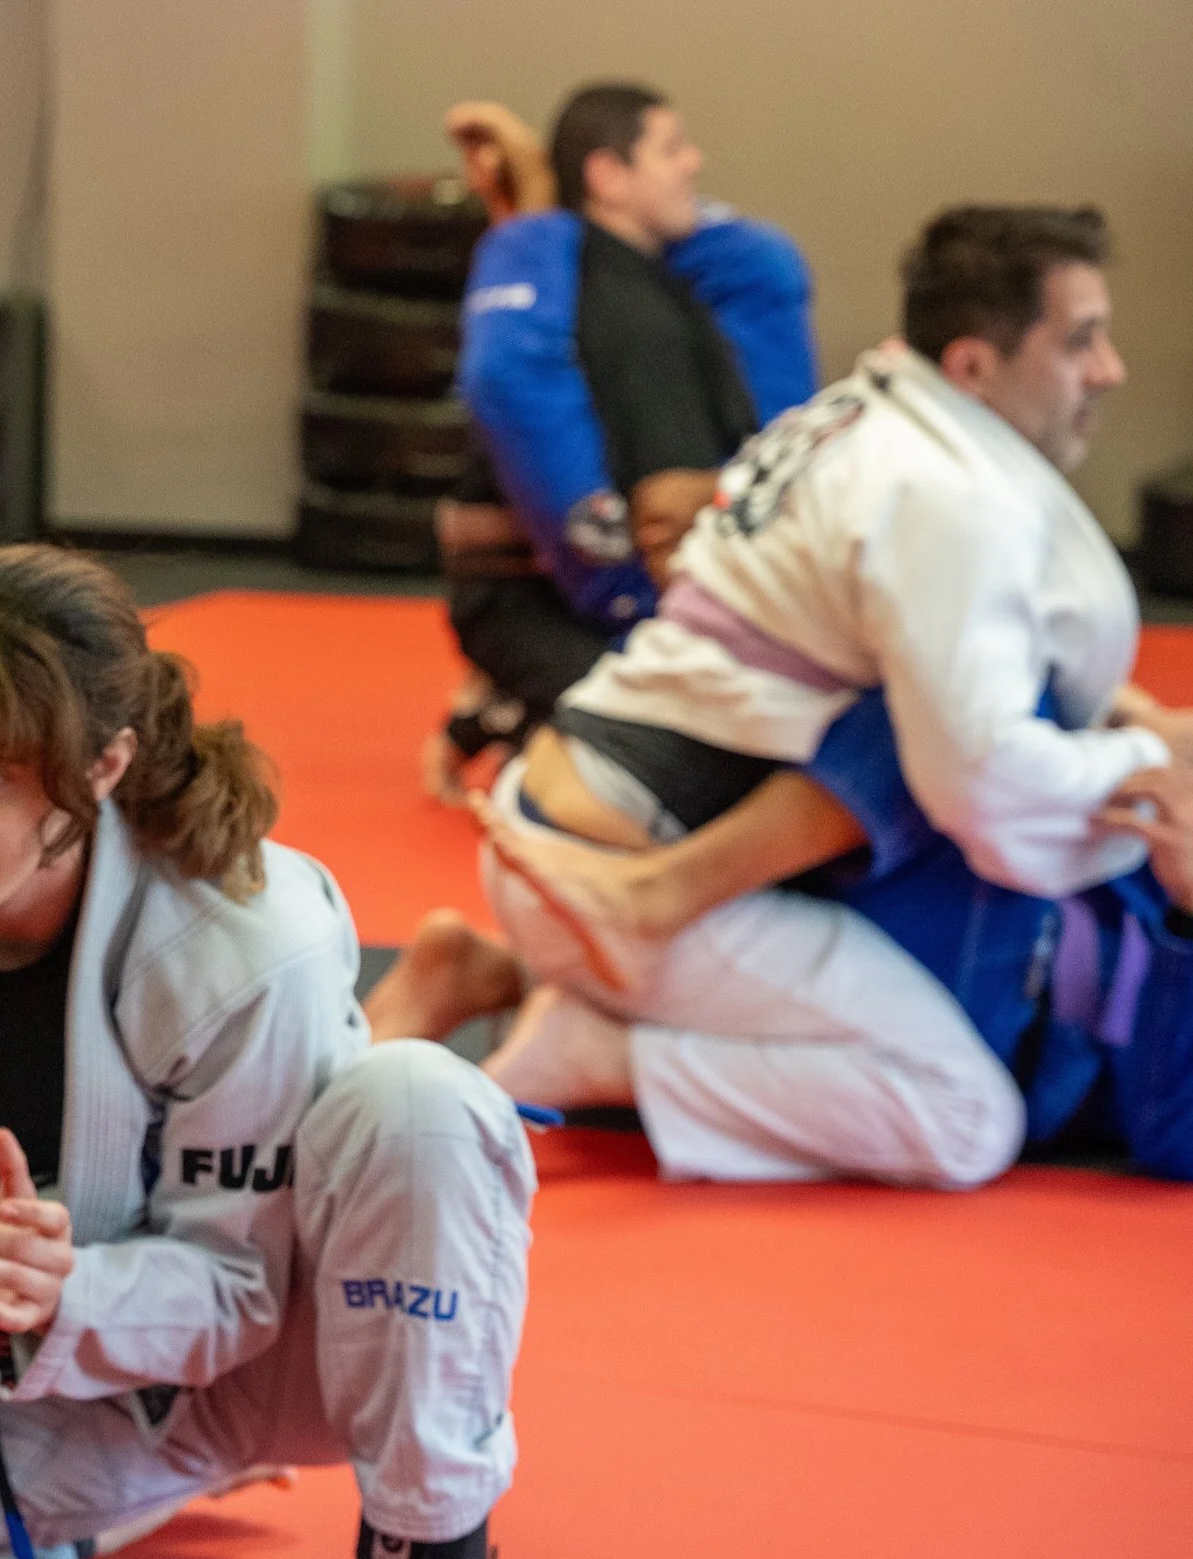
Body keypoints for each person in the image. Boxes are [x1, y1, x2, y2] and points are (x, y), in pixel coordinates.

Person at [0, 547, 538, 1559]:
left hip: (267, 1351)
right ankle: (92, 1518)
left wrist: (72, 1290)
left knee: (417, 1106)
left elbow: (242, 1283)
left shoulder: (243, 937)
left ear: (102, 763)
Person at [462, 204, 1178, 1188]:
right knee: (964, 1118)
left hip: (571, 818)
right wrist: (1147, 769)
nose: (1107, 371)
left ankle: (498, 966)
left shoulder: (860, 413)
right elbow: (983, 789)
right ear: (972, 364)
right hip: (613, 883)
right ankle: (603, 1049)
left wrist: (1137, 727)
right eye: (1080, 341)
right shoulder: (949, 498)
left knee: (939, 709)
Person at [428, 84, 818, 799]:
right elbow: (509, 384)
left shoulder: (673, 288)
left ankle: (504, 713)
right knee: (699, 768)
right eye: (671, 148)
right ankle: (516, 715)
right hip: (555, 596)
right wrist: (632, 598)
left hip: (641, 588)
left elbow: (765, 271)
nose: (695, 163)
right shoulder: (583, 290)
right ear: (608, 175)